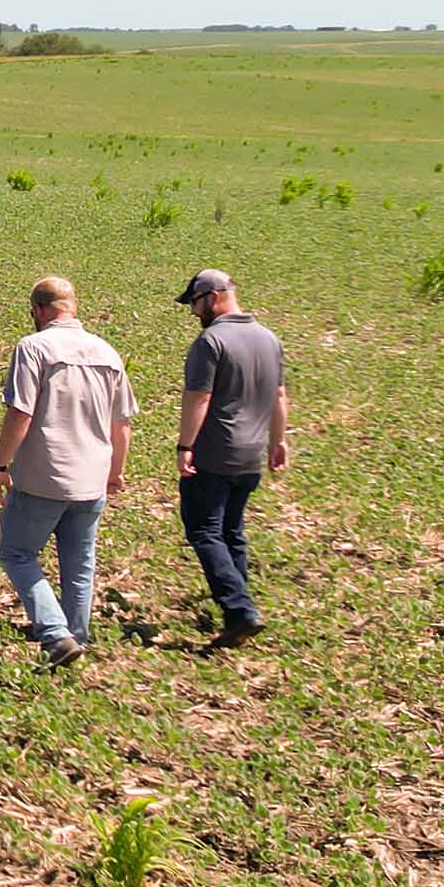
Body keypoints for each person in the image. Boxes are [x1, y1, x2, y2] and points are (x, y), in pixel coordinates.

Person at [0, 276, 137, 669]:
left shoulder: (33, 347)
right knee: (80, 561)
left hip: (44, 474)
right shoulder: (107, 351)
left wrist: (0, 464)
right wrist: (115, 471)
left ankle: (55, 634)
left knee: (17, 553)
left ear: (38, 310)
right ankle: (76, 634)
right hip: (92, 477)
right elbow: (121, 423)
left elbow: (21, 411)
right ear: (73, 307)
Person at [173, 269, 288, 649]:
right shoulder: (269, 339)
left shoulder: (211, 342)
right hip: (251, 455)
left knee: (204, 530)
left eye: (195, 303)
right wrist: (278, 442)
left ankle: (239, 609)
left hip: (214, 452)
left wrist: (185, 445)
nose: (194, 312)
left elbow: (199, 398)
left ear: (215, 296)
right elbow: (280, 396)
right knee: (231, 531)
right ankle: (240, 609)